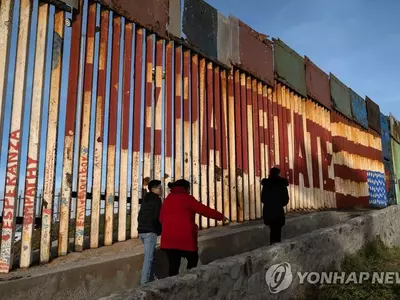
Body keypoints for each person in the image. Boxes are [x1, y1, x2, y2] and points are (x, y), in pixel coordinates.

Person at [159, 179, 229, 277]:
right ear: (186, 188)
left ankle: (172, 289)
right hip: (184, 239)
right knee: (193, 260)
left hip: (168, 240)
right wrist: (220, 216)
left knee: (173, 268)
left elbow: (161, 218)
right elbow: (204, 210)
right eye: (189, 188)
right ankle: (189, 281)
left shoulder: (167, 199)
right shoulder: (187, 198)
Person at [137, 179, 163, 285]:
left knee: (151, 256)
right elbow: (157, 217)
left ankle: (151, 278)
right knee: (149, 258)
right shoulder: (157, 200)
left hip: (141, 231)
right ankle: (144, 283)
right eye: (160, 188)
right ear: (153, 189)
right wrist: (159, 230)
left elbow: (140, 215)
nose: (161, 190)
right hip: (150, 232)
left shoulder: (145, 199)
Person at [261, 167, 289, 245]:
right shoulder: (282, 184)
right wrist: (279, 204)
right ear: (278, 173)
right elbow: (285, 200)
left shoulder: (266, 184)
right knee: (278, 230)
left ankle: (272, 245)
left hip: (268, 210)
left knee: (272, 229)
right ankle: (277, 247)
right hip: (278, 210)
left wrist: (269, 203)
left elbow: (263, 199)